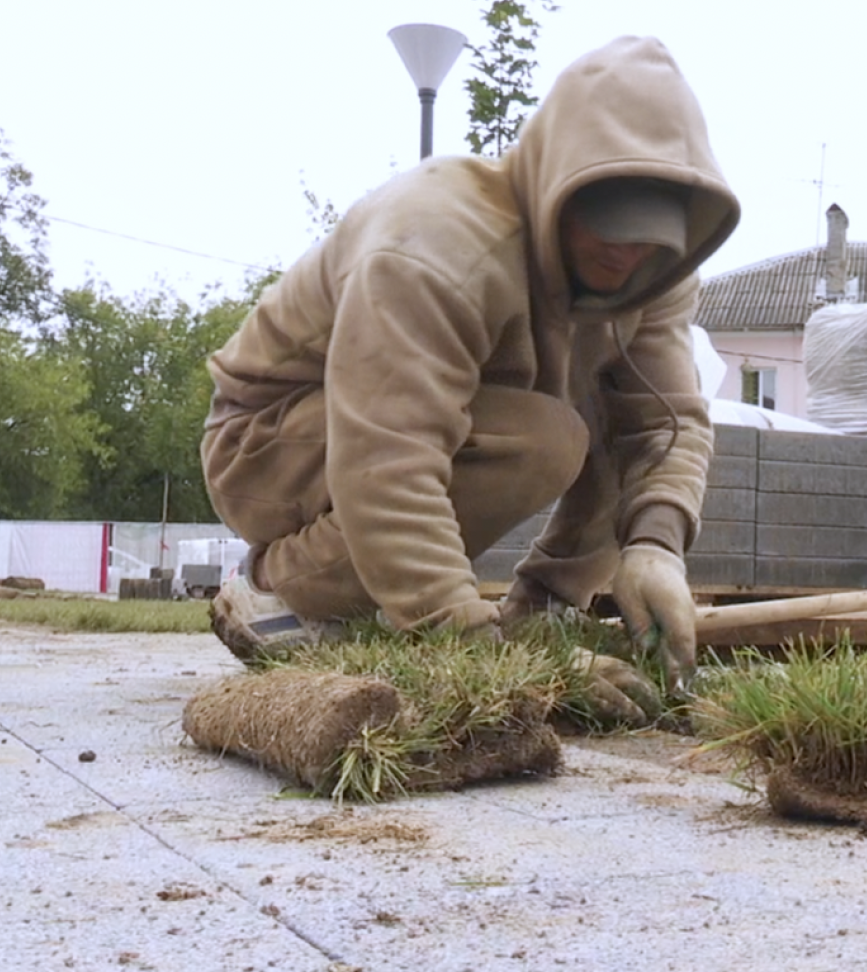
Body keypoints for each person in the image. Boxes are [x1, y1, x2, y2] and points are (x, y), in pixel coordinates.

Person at [200, 36, 740, 714]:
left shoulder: (654, 270)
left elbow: (662, 421)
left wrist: (656, 544)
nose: (625, 251)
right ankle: (276, 585)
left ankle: (544, 609)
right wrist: (466, 639)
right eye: (606, 223)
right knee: (546, 438)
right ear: (554, 182)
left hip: (411, 429)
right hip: (270, 443)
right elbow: (389, 458)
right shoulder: (435, 243)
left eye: (647, 234)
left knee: (597, 417)